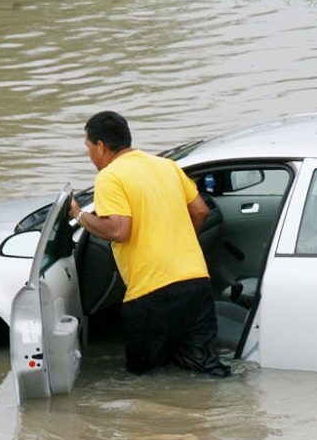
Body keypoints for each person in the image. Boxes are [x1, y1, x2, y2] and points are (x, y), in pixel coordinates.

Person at [69, 110, 229, 378]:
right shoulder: (167, 166)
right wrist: (178, 242)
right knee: (206, 369)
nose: (90, 155)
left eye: (88, 147)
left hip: (151, 292)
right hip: (196, 283)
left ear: (101, 146)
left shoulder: (110, 176)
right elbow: (201, 211)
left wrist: (79, 215)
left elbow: (119, 230)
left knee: (144, 379)